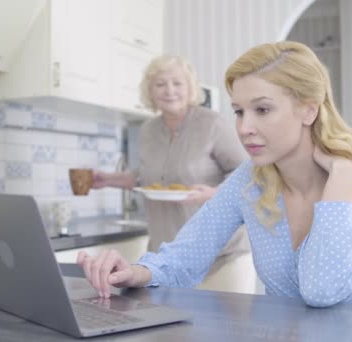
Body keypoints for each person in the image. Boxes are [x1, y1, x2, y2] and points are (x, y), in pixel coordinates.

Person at [78, 41, 352, 307]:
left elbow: (322, 289)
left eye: (262, 109)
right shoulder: (251, 180)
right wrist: (135, 272)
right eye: (239, 111)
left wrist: (342, 177)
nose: (244, 128)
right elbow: (188, 253)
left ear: (309, 109)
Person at [90, 55, 251, 288]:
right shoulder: (148, 130)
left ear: (190, 88)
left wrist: (213, 193)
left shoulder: (212, 124)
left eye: (177, 83)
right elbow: (149, 176)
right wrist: (109, 180)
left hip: (221, 257)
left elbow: (246, 174)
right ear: (150, 91)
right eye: (160, 84)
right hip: (165, 261)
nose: (169, 90)